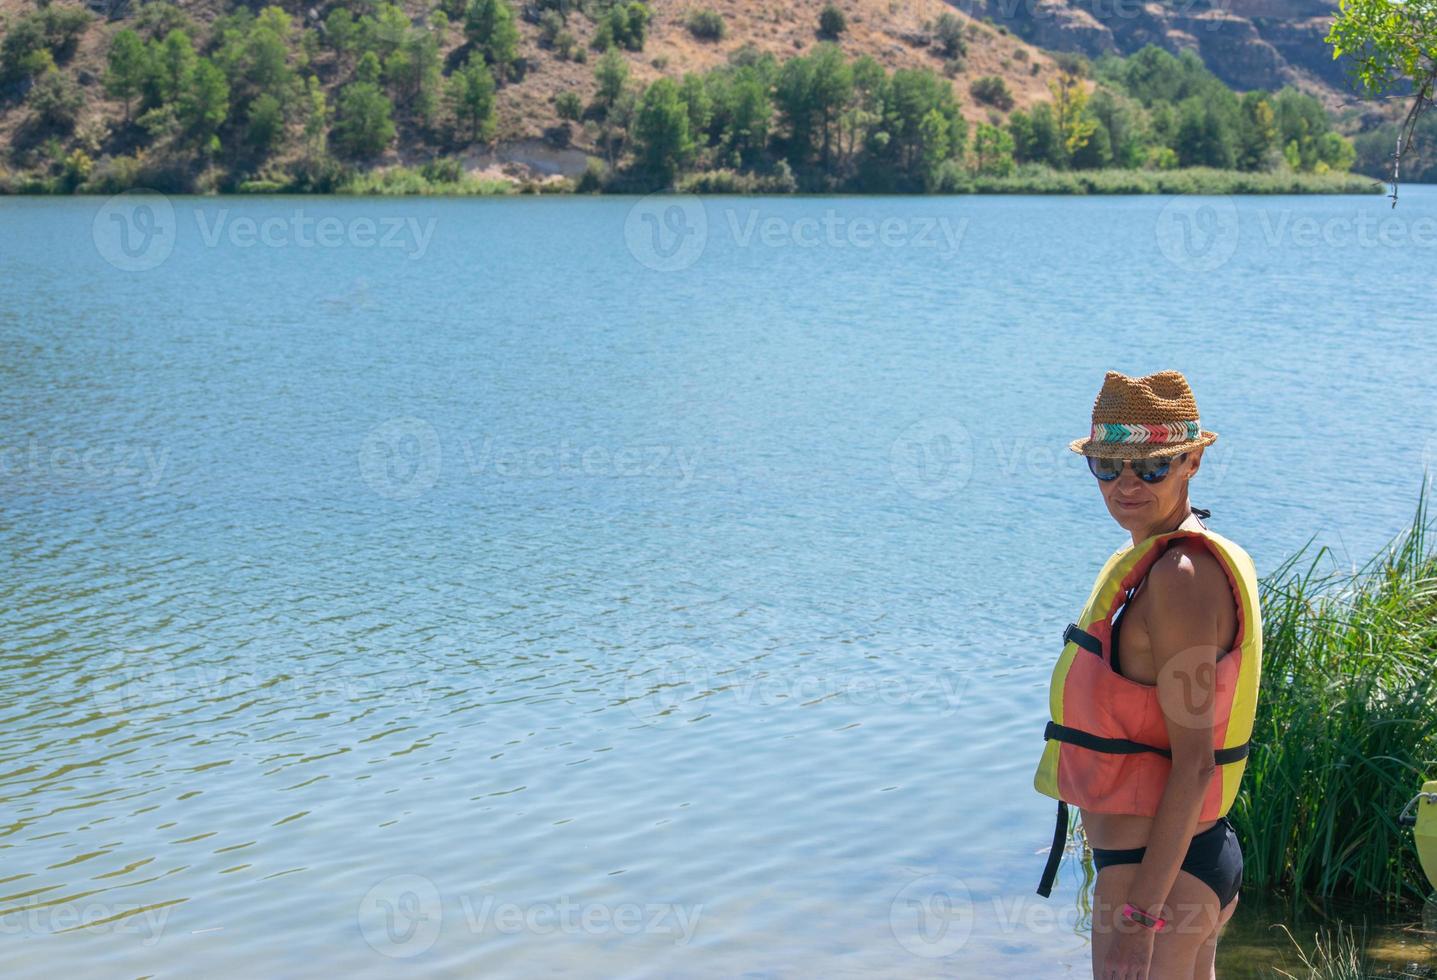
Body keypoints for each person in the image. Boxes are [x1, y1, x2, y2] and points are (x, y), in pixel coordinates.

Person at [1032, 371, 1263, 980]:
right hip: (1179, 865)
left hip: (1158, 878)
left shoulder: (1180, 578)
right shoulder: (1166, 562)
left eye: (1152, 468)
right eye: (1108, 466)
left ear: (1192, 462)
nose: (1126, 484)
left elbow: (1195, 763)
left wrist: (1139, 925)